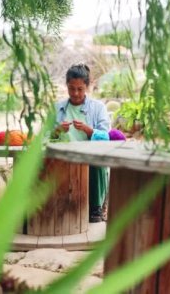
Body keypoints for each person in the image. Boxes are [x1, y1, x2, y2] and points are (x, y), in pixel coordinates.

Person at [54, 63, 111, 222]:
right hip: (63, 156)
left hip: (88, 155)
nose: (75, 93)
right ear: (67, 86)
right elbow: (44, 137)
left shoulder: (98, 107)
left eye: (80, 89)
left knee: (97, 161)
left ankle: (95, 208)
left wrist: (89, 130)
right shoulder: (58, 108)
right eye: (72, 88)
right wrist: (57, 131)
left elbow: (106, 136)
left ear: (87, 87)